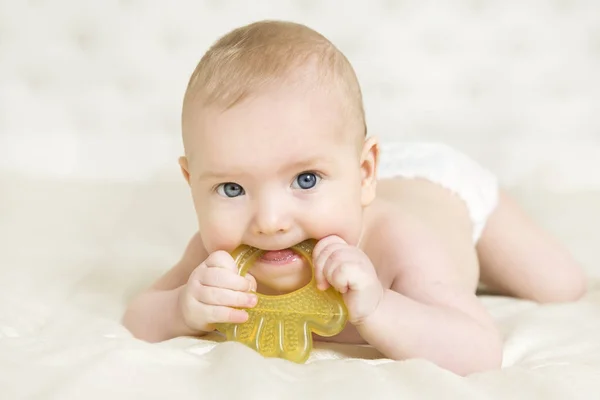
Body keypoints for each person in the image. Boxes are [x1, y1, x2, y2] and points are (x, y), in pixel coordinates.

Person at [122, 20, 586, 376]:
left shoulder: (399, 242)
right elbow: (138, 317)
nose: (269, 221)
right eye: (232, 189)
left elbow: (480, 350)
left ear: (365, 173)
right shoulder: (214, 256)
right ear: (191, 182)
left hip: (444, 189)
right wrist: (181, 307)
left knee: (559, 285)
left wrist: (380, 307)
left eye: (305, 180)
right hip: (351, 164)